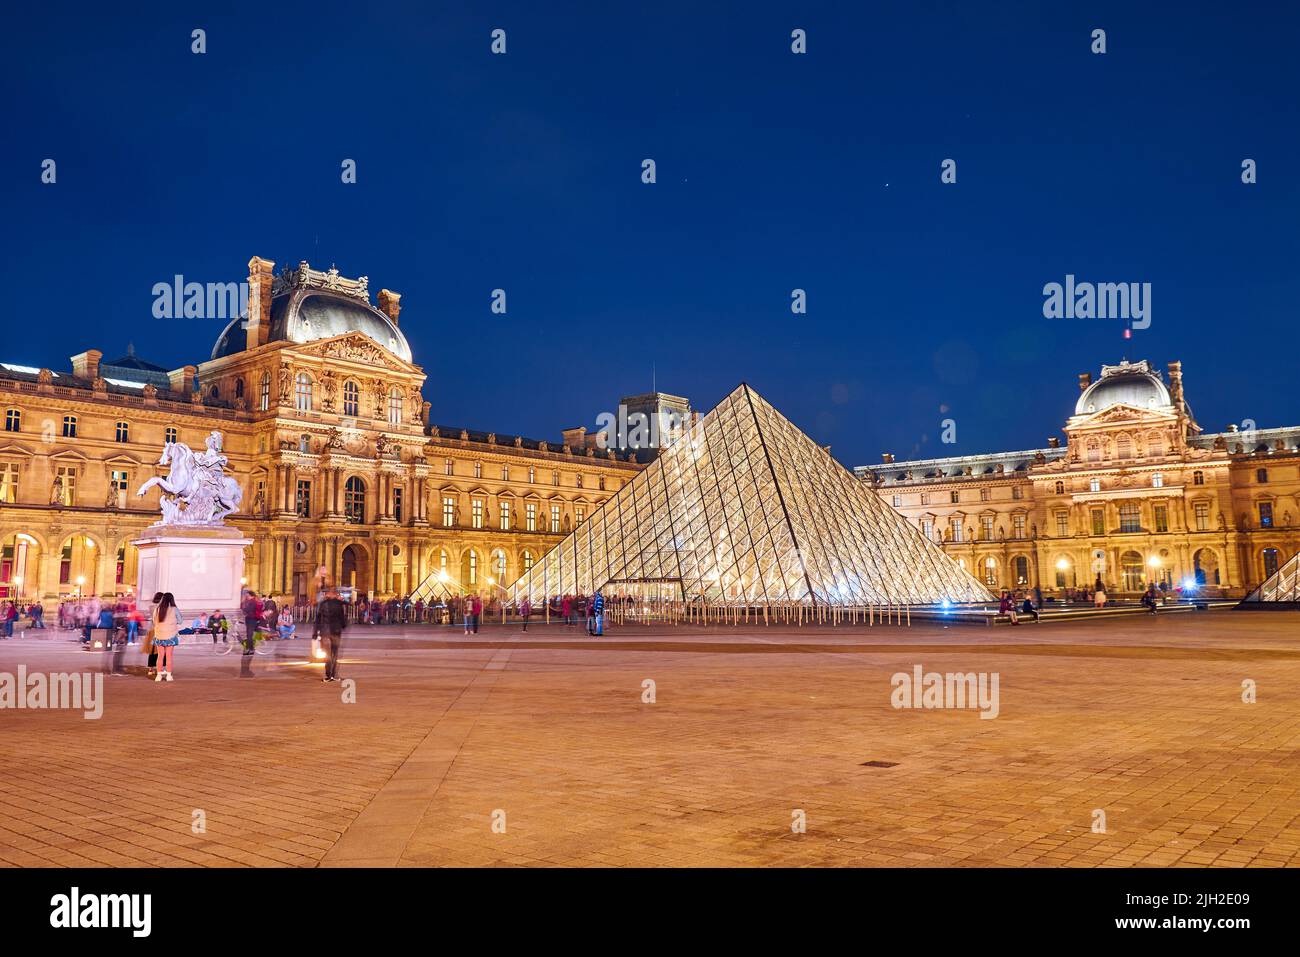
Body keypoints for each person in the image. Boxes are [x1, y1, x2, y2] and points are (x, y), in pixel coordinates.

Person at [316, 586, 348, 682]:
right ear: (335, 594)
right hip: (336, 631)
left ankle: (328, 675)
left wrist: (316, 631)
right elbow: (342, 617)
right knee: (334, 653)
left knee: (327, 654)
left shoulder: (323, 604)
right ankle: (333, 675)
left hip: (325, 631)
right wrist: (343, 625)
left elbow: (318, 618)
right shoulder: (338, 604)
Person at [151, 592, 181, 682]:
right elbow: (180, 620)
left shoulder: (157, 609)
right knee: (169, 656)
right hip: (170, 635)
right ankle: (168, 675)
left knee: (160, 656)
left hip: (159, 635)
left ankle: (158, 676)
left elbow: (154, 621)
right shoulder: (174, 609)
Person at [239, 590, 261, 677]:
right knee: (251, 634)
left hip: (251, 620)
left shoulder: (252, 602)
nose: (246, 596)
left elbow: (246, 609)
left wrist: (244, 608)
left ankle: (250, 648)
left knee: (249, 634)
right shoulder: (251, 601)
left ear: (251, 595)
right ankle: (250, 647)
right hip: (252, 620)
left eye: (247, 595)